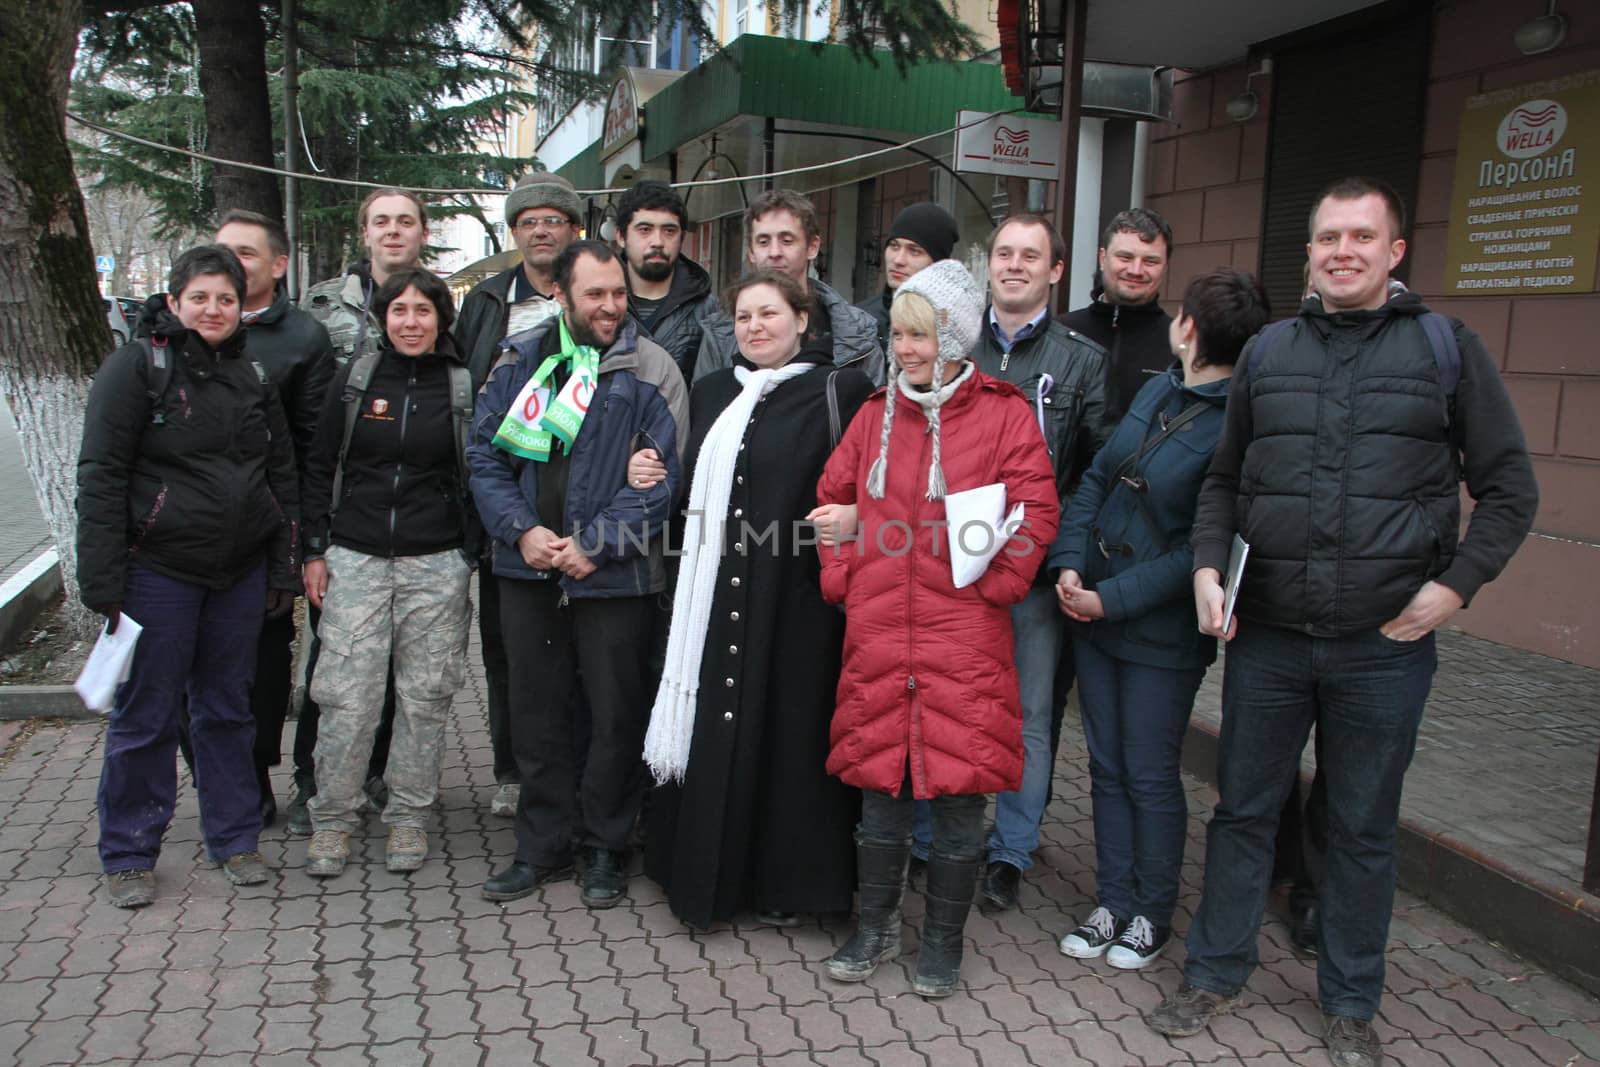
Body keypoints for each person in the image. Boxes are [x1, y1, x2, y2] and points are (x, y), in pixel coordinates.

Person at [1147, 177, 1539, 1067]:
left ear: (1395, 251)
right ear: (1310, 251)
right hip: (1272, 638)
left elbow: (1511, 488)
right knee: (1244, 811)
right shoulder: (1270, 353)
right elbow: (1224, 481)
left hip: (1385, 644)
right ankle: (1213, 971)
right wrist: (1209, 565)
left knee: (1361, 824)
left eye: (1363, 236)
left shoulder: (1448, 349)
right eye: (1329, 237)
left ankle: (1351, 999)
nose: (1344, 251)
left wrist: (1459, 586)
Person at [816, 259, 1059, 999]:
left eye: (918, 333)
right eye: (897, 332)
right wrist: (846, 579)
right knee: (880, 794)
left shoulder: (1003, 413)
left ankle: (944, 942)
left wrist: (997, 583)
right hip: (882, 637)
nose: (905, 347)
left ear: (952, 335)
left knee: (959, 799)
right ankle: (876, 925)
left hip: (966, 641)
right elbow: (832, 501)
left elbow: (1037, 510)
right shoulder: (872, 415)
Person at [629, 269, 873, 928]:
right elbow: (677, 482)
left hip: (795, 603)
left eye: (769, 313)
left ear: (802, 319)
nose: (756, 327)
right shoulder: (710, 391)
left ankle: (787, 883)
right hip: (709, 594)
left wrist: (852, 514)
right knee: (718, 727)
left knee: (787, 736)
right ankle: (705, 874)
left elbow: (874, 478)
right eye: (744, 317)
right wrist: (649, 470)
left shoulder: (841, 389)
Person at [1050, 268, 1269, 971]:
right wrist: (1070, 563)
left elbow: (1196, 553)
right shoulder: (1156, 389)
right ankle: (1113, 897)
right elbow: (1096, 478)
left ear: (1190, 329)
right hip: (1093, 604)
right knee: (1107, 766)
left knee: (1147, 771)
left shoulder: (1237, 420)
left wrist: (1110, 598)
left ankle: (1151, 912)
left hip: (1157, 631)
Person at [77, 245, 300, 908]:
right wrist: (103, 580)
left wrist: (283, 564)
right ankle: (128, 850)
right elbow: (101, 475)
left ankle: (234, 839)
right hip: (158, 571)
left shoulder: (253, 375)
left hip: (236, 572)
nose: (213, 309)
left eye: (225, 299)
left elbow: (280, 474)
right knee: (146, 714)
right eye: (199, 296)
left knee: (227, 709)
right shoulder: (136, 369)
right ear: (174, 302)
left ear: (241, 308)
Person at [469, 240, 688, 907]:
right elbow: (484, 457)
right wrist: (521, 531)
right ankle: (542, 844)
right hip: (526, 569)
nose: (611, 306)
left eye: (618, 292)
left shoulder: (652, 368)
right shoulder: (520, 359)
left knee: (613, 715)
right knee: (536, 714)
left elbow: (665, 477)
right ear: (560, 295)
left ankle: (604, 848)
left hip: (615, 577)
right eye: (595, 294)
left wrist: (595, 544)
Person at [298, 267, 477, 878]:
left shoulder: (460, 386)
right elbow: (319, 466)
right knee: (347, 698)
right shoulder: (356, 380)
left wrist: (467, 553)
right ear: (382, 317)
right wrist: (314, 550)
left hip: (436, 564)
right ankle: (333, 820)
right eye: (398, 310)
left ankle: (407, 818)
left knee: (425, 698)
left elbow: (475, 473)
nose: (410, 321)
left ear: (440, 319)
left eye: (422, 311)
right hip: (356, 559)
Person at [969, 213, 1109, 913]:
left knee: (1026, 713)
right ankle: (940, 837)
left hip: (1032, 570)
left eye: (1032, 255)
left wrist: (1062, 555)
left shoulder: (1084, 361)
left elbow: (1094, 470)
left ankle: (1010, 851)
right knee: (949, 698)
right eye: (1004, 253)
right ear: (987, 264)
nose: (1015, 264)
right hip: (953, 565)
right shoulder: (955, 343)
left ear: (1056, 270)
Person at [290, 187, 430, 831]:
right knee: (337, 669)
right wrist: (312, 541)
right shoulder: (321, 308)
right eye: (382, 221)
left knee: (407, 674)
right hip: (349, 525)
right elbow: (309, 427)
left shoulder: (439, 316)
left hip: (419, 536)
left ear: (422, 233)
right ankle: (314, 782)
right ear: (364, 232)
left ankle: (380, 779)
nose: (393, 231)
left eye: (405, 221)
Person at [196, 208, 335, 828]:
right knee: (187, 674)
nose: (231, 265)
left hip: (265, 536)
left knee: (261, 671)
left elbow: (309, 450)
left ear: (279, 266)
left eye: (246, 254)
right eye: (222, 252)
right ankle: (215, 781)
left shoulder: (302, 338)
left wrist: (306, 542)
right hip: (182, 537)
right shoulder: (181, 328)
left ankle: (253, 779)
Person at [455, 171, 583, 820]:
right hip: (503, 505)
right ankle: (512, 767)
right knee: (506, 648)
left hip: (579, 506)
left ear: (572, 230)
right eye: (528, 220)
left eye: (552, 219)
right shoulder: (484, 302)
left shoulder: (594, 295)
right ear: (514, 233)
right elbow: (466, 401)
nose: (540, 230)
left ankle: (574, 772)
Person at [694, 189, 884, 386]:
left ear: (812, 246)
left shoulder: (857, 332)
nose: (774, 252)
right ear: (751, 251)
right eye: (763, 242)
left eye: (787, 240)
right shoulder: (720, 334)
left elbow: (872, 412)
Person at [1059, 208, 1175, 426]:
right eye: (1125, 257)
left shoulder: (1180, 346)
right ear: (1103, 258)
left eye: (1150, 261)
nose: (1136, 270)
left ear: (1165, 266)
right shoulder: (1061, 333)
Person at [613, 180, 720, 382]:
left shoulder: (709, 312)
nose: (658, 242)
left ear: (682, 237)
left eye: (669, 231)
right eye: (644, 229)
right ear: (621, 236)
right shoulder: (599, 305)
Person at [855, 202, 960, 352]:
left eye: (914, 251)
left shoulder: (954, 325)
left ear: (937, 263)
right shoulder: (859, 319)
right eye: (894, 246)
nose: (898, 260)